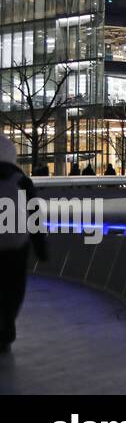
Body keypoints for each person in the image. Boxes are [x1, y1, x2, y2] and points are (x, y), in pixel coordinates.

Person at [1, 134, 48, 353]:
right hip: (16, 242)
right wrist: (41, 247)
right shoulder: (21, 180)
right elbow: (35, 216)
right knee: (13, 288)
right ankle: (6, 331)